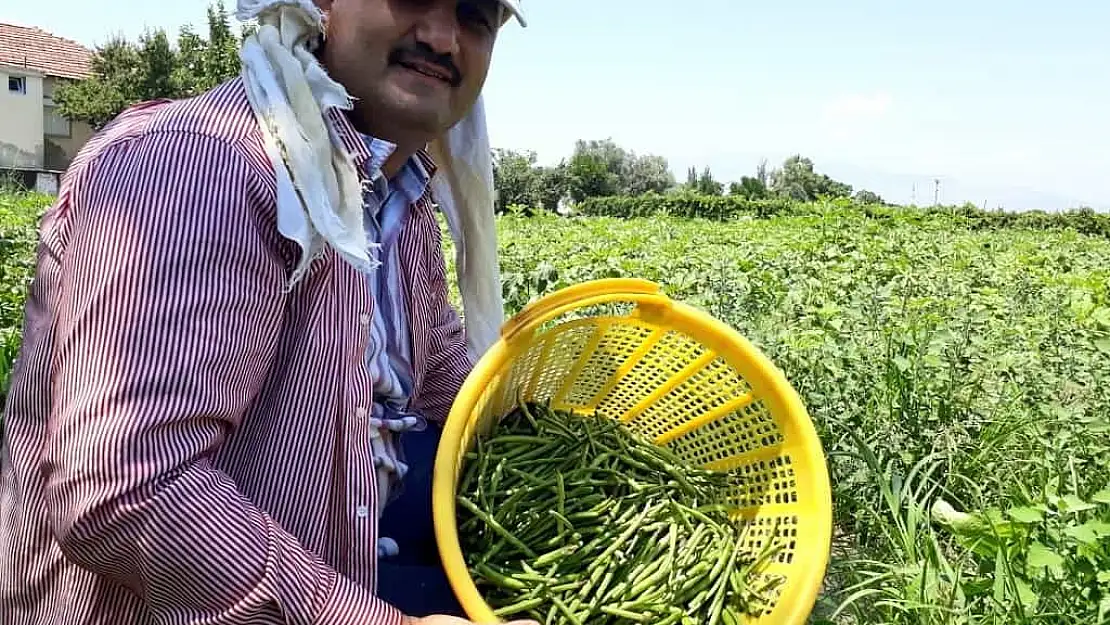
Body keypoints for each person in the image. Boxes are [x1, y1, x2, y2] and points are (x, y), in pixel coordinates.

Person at [0, 0, 540, 624]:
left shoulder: (401, 199)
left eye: (475, 14)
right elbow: (128, 489)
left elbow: (445, 376)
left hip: (346, 556)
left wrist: (570, 433)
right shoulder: (193, 167)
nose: (443, 37)